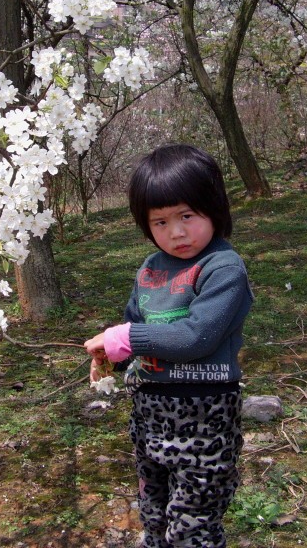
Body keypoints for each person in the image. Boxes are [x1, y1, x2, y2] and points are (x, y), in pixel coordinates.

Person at [85, 144, 253, 548]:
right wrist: (110, 356)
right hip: (148, 413)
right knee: (154, 512)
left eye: (187, 216)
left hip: (203, 415)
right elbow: (134, 323)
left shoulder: (223, 269)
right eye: (160, 222)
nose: (175, 232)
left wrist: (124, 339)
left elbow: (196, 337)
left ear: (213, 209)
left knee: (192, 524)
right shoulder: (150, 269)